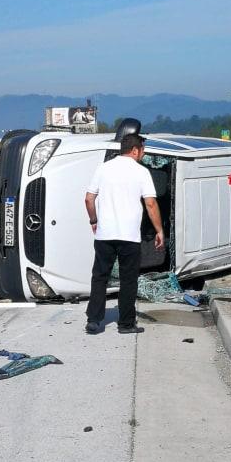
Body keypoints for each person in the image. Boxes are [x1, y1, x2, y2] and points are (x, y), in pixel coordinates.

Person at [84, 134, 165, 334]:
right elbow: (151, 204)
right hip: (129, 236)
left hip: (105, 234)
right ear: (135, 150)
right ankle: (126, 324)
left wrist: (94, 220)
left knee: (100, 277)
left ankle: (94, 321)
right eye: (143, 150)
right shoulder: (142, 172)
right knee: (128, 279)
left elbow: (88, 199)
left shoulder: (103, 168)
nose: (143, 155)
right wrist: (159, 230)